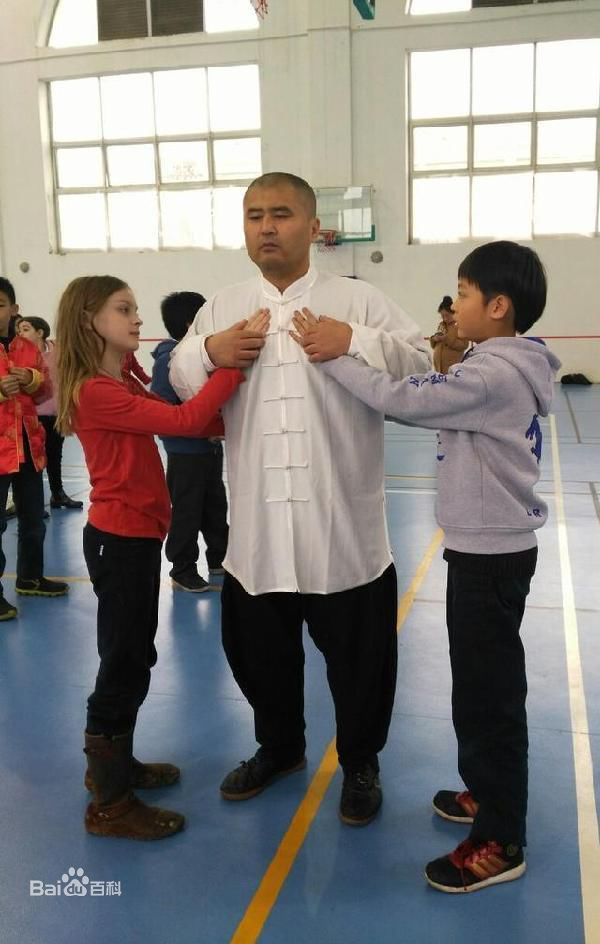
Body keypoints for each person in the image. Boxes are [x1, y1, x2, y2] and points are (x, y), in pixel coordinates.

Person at [293, 240, 560, 891]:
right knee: (478, 688)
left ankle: (500, 837)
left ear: (497, 306)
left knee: (487, 698)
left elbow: (402, 398)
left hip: (490, 559)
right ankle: (486, 792)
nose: (454, 305)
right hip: (487, 551)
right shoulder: (497, 363)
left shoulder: (491, 373)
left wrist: (336, 355)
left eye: (464, 294)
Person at [169, 171, 431, 826]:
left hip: (344, 531)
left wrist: (355, 342)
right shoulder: (223, 305)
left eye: (281, 214)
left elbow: (423, 360)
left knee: (361, 663)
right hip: (258, 533)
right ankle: (279, 748)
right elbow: (178, 378)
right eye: (254, 215)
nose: (266, 227)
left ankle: (361, 761)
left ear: (313, 227)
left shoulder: (359, 299)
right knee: (260, 657)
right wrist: (209, 349)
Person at [54, 275, 247, 840]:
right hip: (121, 541)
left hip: (134, 538)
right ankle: (109, 804)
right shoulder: (96, 390)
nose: (137, 319)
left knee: (136, 654)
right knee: (123, 663)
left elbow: (196, 420)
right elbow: (185, 422)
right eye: (124, 309)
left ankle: (116, 767)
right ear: (90, 319)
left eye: (136, 308)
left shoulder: (124, 379)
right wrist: (232, 365)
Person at [151, 291, 229, 592]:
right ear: (190, 324)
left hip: (209, 448)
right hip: (185, 451)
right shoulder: (168, 362)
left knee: (214, 505)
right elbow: (164, 408)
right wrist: (199, 428)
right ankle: (182, 567)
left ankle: (220, 558)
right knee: (186, 510)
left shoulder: (205, 358)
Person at [0, 277, 68, 621]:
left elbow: (44, 393)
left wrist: (31, 380)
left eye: (0, 305)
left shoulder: (28, 348)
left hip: (29, 445)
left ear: (14, 309)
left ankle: (29, 577)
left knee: (33, 519)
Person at [17, 317, 83, 510]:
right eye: (19, 329)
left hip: (55, 414)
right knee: (33, 461)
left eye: (25, 329)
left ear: (40, 332)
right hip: (32, 416)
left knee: (55, 456)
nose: (21, 333)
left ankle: (58, 495)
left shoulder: (58, 351)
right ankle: (34, 506)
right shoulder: (20, 356)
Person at [429, 295, 469, 374]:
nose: (445, 319)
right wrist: (434, 339)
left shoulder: (459, 325)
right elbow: (434, 345)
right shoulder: (442, 325)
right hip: (438, 367)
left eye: (447, 315)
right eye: (442, 316)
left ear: (453, 313)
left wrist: (447, 339)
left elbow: (464, 345)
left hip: (452, 366)